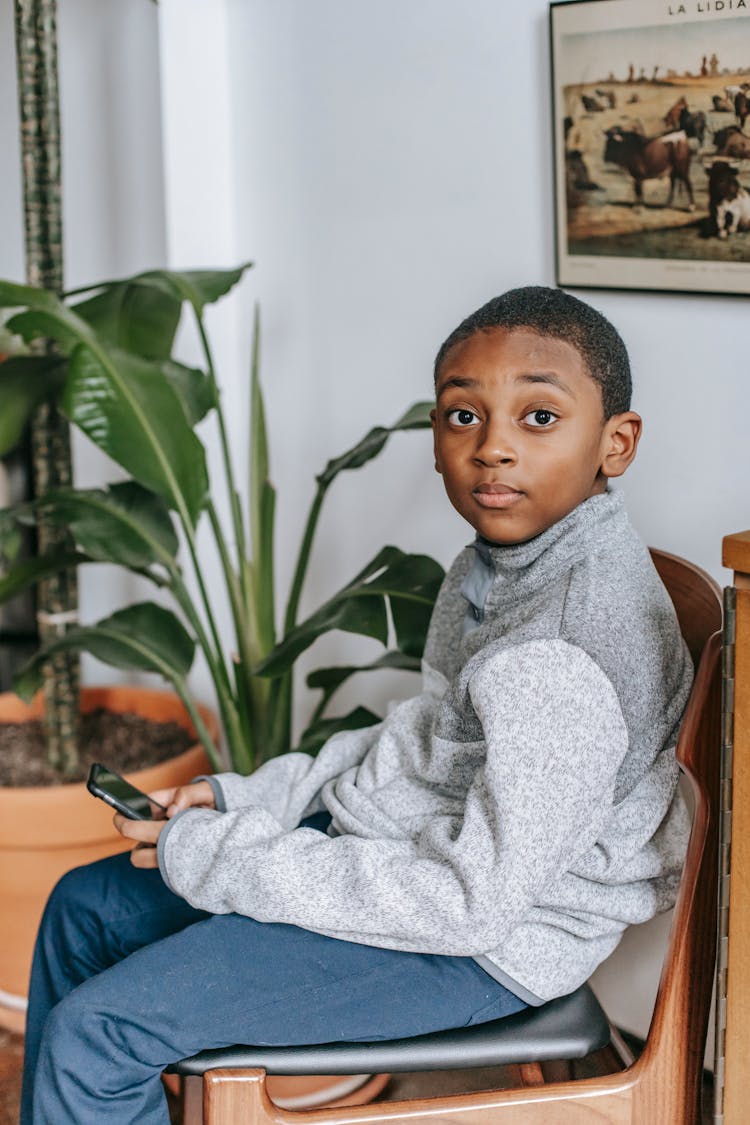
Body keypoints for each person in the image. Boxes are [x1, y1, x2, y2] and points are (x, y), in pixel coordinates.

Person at [20, 286, 693, 1124]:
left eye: (540, 418)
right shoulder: (501, 565)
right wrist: (246, 799)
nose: (493, 450)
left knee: (100, 1032)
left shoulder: (560, 654)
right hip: (408, 857)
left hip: (481, 942)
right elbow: (423, 739)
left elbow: (466, 904)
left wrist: (229, 853)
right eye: (462, 416)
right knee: (85, 908)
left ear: (615, 443)